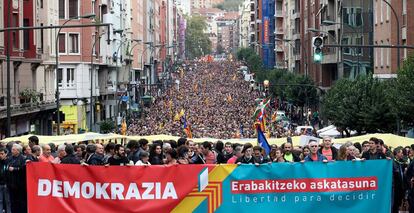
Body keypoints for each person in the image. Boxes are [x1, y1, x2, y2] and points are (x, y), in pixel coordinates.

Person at [6, 144, 27, 213]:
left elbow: (24, 169)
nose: (11, 151)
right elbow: (6, 167)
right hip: (11, 184)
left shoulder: (23, 158)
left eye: (13, 149)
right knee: (12, 202)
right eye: (12, 149)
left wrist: (15, 169)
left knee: (20, 202)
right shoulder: (10, 158)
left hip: (20, 185)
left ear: (18, 151)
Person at [392, 147, 406, 213]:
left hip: (400, 187)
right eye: (401, 153)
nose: (402, 154)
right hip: (395, 187)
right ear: (397, 153)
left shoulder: (401, 162)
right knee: (395, 204)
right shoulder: (392, 162)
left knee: (398, 204)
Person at [0, 147, 11, 213]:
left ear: (6, 154)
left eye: (2, 153)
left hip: (6, 184)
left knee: (8, 201)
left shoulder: (8, 161)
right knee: (0, 201)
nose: (0, 155)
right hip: (0, 183)